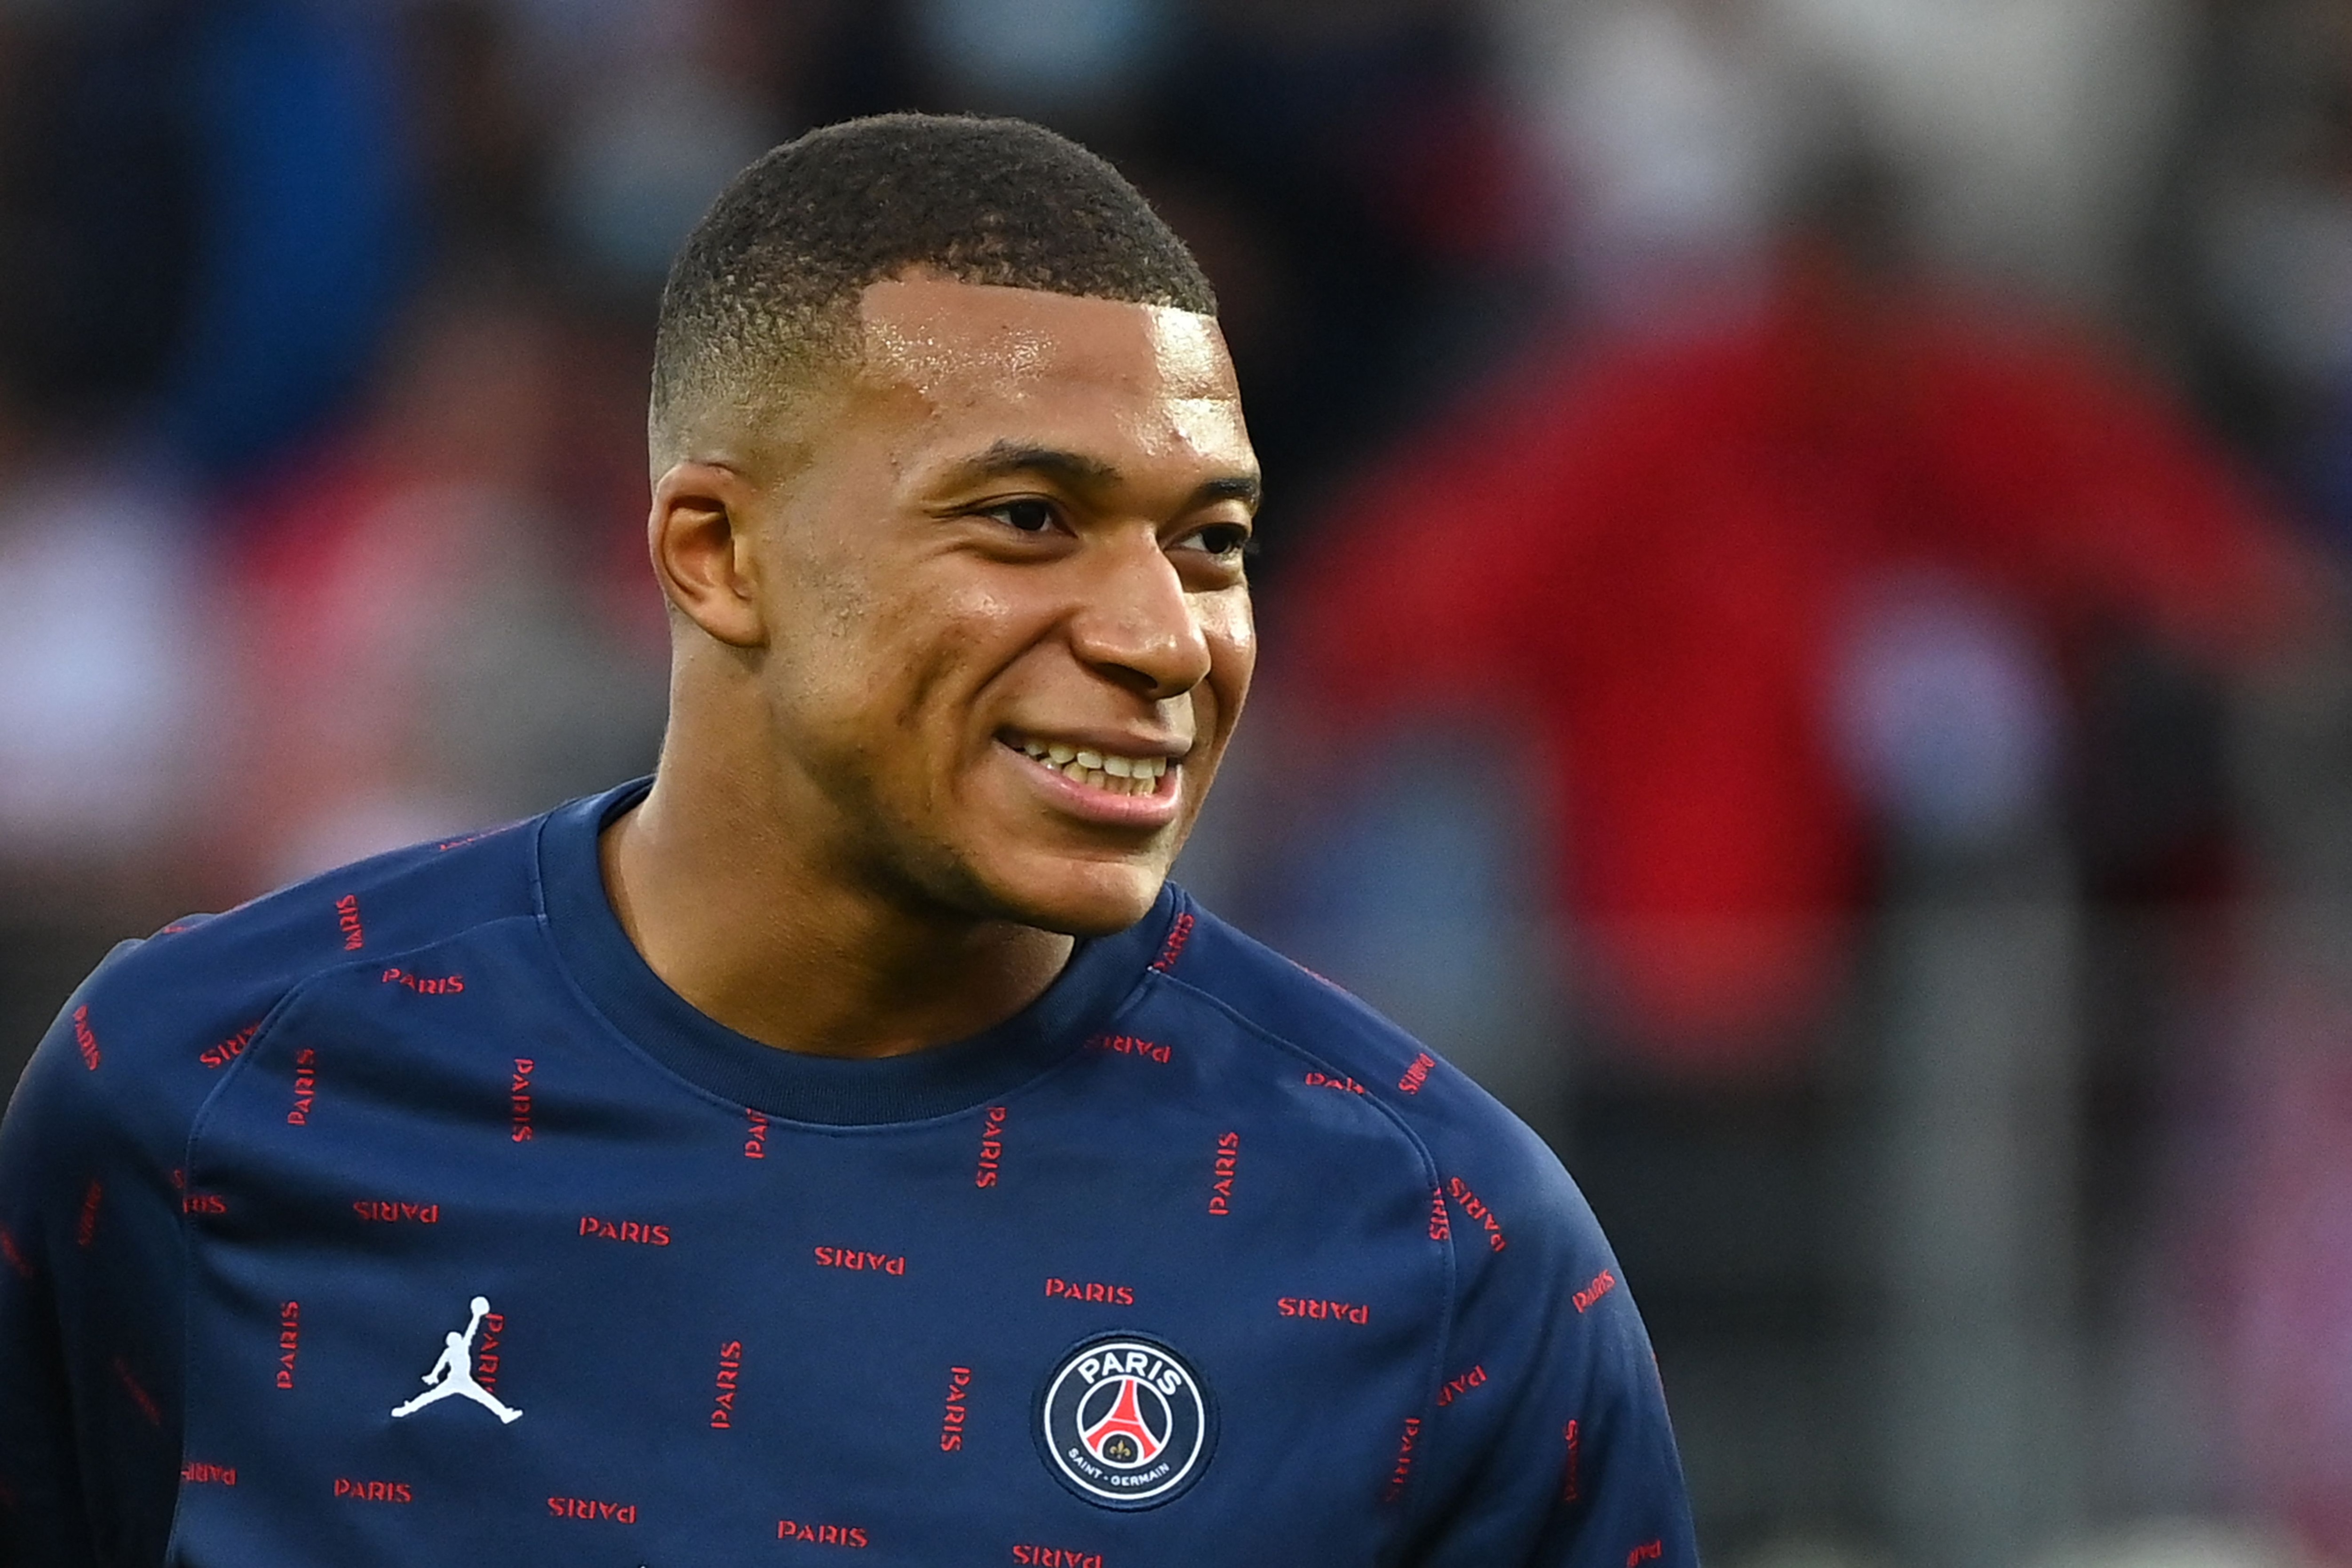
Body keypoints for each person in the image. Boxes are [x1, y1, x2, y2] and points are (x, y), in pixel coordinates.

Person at [0, 115, 1695, 1565]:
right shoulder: (204, 1091)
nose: (1164, 638)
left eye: (1211, 540)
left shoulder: (1438, 1246)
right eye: (1029, 518)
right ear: (716, 553)